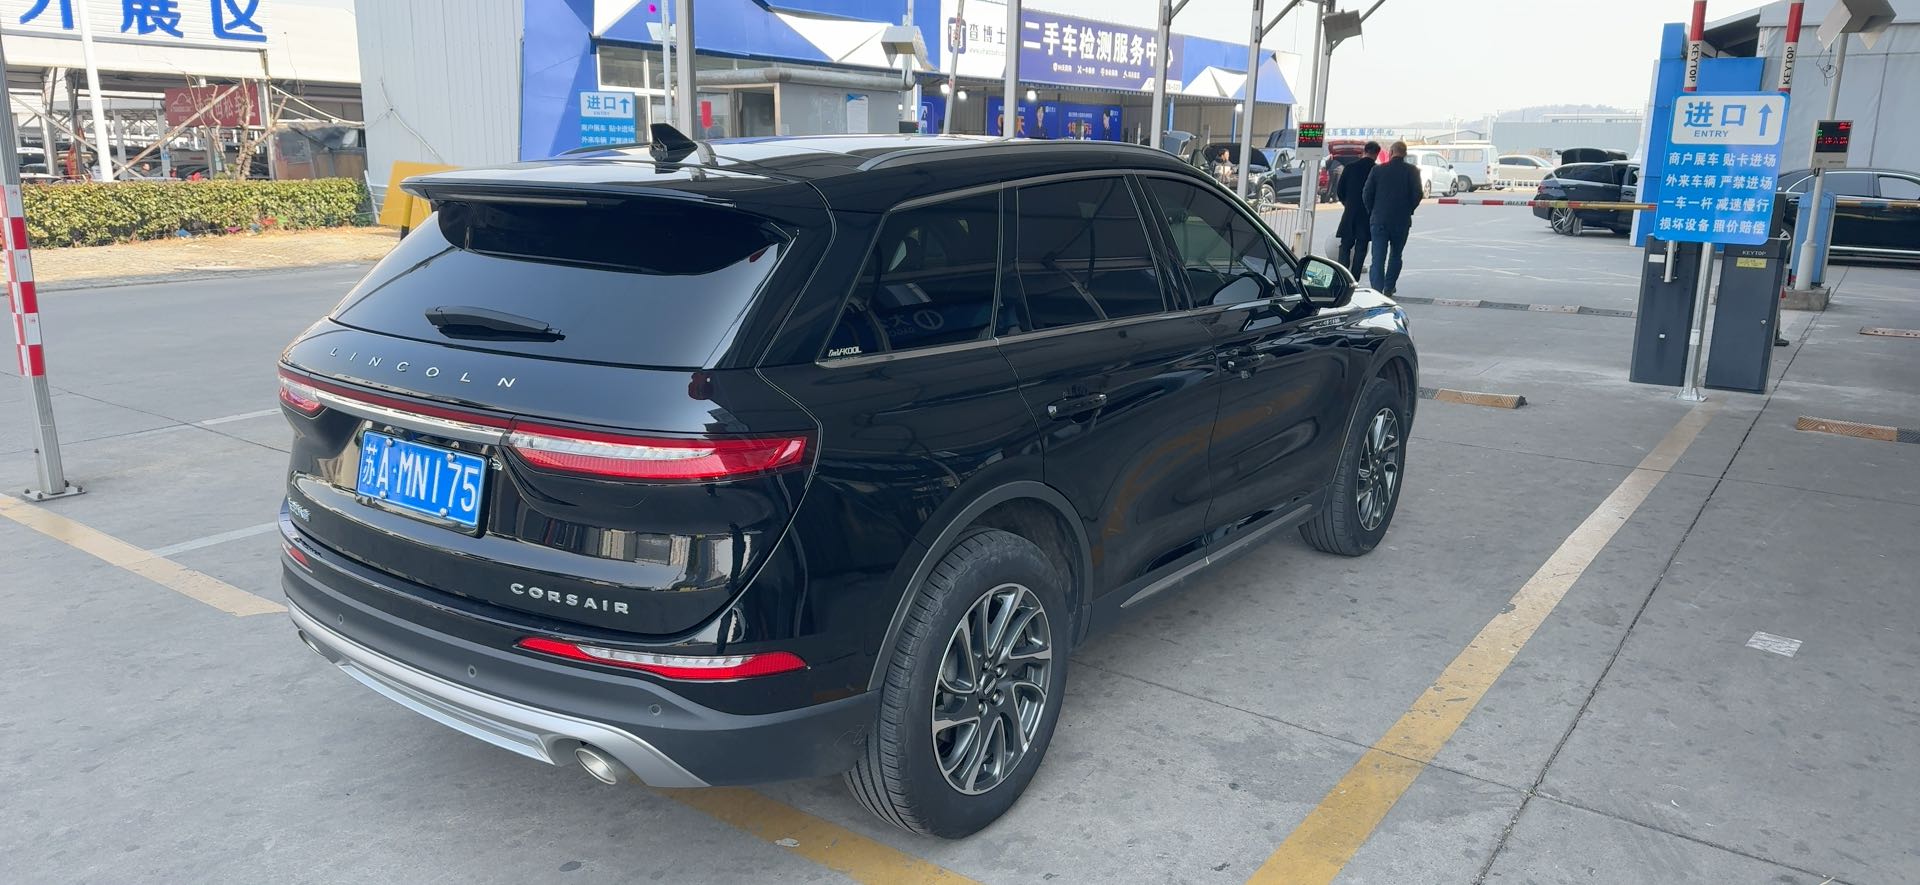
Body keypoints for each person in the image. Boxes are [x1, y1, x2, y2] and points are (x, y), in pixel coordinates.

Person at [1361, 140, 1422, 295]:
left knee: (1378, 258)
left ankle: (1377, 291)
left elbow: (1366, 193)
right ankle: (1389, 288)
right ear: (1405, 154)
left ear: (1391, 152)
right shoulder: (1413, 171)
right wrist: (1408, 209)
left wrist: (1372, 211)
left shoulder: (1377, 170)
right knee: (1396, 255)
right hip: (1401, 221)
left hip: (1379, 220)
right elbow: (1417, 194)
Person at [1335, 141, 1380, 275]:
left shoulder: (1350, 167)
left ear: (1364, 152)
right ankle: (1354, 277)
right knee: (1361, 247)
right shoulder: (1377, 170)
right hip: (1367, 214)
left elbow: (1340, 191)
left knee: (1345, 245)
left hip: (1350, 212)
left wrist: (1347, 204)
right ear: (1377, 154)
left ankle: (1342, 275)